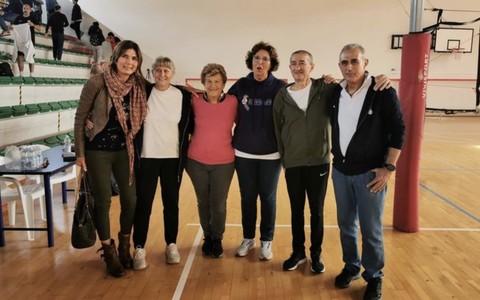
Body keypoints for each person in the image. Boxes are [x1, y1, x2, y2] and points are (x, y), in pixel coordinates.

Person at [273, 50, 392, 274]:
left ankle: (316, 255)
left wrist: (381, 77)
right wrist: (285, 157)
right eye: (293, 64)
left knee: (316, 211)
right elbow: (278, 129)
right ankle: (298, 252)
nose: (297, 67)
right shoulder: (282, 95)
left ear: (312, 66)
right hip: (293, 163)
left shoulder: (327, 89)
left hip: (319, 162)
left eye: (302, 63)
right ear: (289, 68)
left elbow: (354, 83)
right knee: (296, 210)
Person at [330, 43, 405, 300]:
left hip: (371, 174)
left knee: (371, 229)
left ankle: (374, 276)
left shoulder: (382, 91)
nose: (349, 67)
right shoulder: (335, 92)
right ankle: (351, 266)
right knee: (345, 225)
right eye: (344, 62)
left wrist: (389, 168)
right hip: (340, 172)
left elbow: (399, 131)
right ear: (339, 65)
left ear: (366, 62)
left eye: (354, 61)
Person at [74, 40, 148, 278]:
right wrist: (80, 154)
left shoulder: (138, 84)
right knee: (103, 201)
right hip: (98, 151)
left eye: (134, 58)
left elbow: (162, 87)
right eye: (125, 56)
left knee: (131, 199)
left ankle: (125, 245)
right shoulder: (97, 82)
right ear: (116, 58)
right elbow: (80, 118)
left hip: (124, 150)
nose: (130, 62)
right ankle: (109, 251)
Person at [132, 56, 192, 270]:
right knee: (143, 204)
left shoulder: (183, 96)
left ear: (172, 73)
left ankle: (171, 244)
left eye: (166, 70)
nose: (162, 74)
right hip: (147, 158)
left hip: (172, 160)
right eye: (158, 70)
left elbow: (190, 126)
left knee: (171, 205)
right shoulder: (143, 92)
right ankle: (139, 247)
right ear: (153, 73)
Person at [227, 41, 285, 260]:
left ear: (271, 64)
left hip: (271, 154)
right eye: (256, 58)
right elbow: (221, 104)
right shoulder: (240, 85)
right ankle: (248, 238)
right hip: (243, 152)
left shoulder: (280, 87)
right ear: (251, 62)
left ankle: (266, 241)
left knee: (268, 198)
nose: (260, 62)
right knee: (247, 198)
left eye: (265, 59)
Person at [186, 63, 237, 259]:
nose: (213, 85)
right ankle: (207, 237)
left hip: (224, 162)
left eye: (217, 81)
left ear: (224, 83)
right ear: (203, 83)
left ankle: (217, 238)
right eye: (209, 81)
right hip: (196, 161)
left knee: (218, 203)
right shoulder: (194, 101)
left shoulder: (233, 102)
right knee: (203, 201)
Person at [11, 2, 39, 77]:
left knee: (30, 56)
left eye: (27, 9)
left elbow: (39, 28)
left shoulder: (33, 18)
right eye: (24, 8)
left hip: (30, 41)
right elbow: (13, 27)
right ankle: (21, 74)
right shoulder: (18, 18)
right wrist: (12, 27)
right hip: (20, 41)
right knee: (20, 57)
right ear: (22, 9)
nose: (25, 10)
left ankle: (31, 74)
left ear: (30, 10)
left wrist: (33, 25)